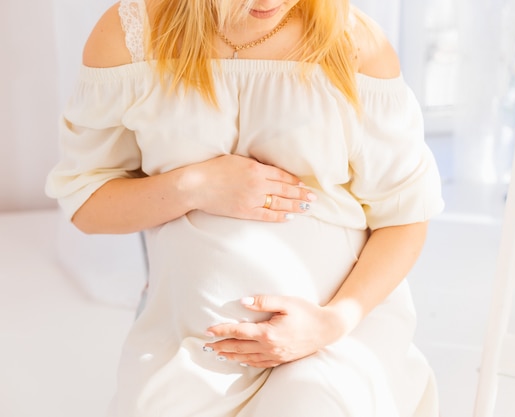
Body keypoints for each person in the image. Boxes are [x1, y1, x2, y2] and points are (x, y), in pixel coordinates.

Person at [46, 0, 445, 416]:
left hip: (335, 331)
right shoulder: (131, 37)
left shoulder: (356, 45)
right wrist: (193, 186)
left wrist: (331, 323)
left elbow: (405, 215)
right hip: (191, 342)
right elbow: (87, 204)